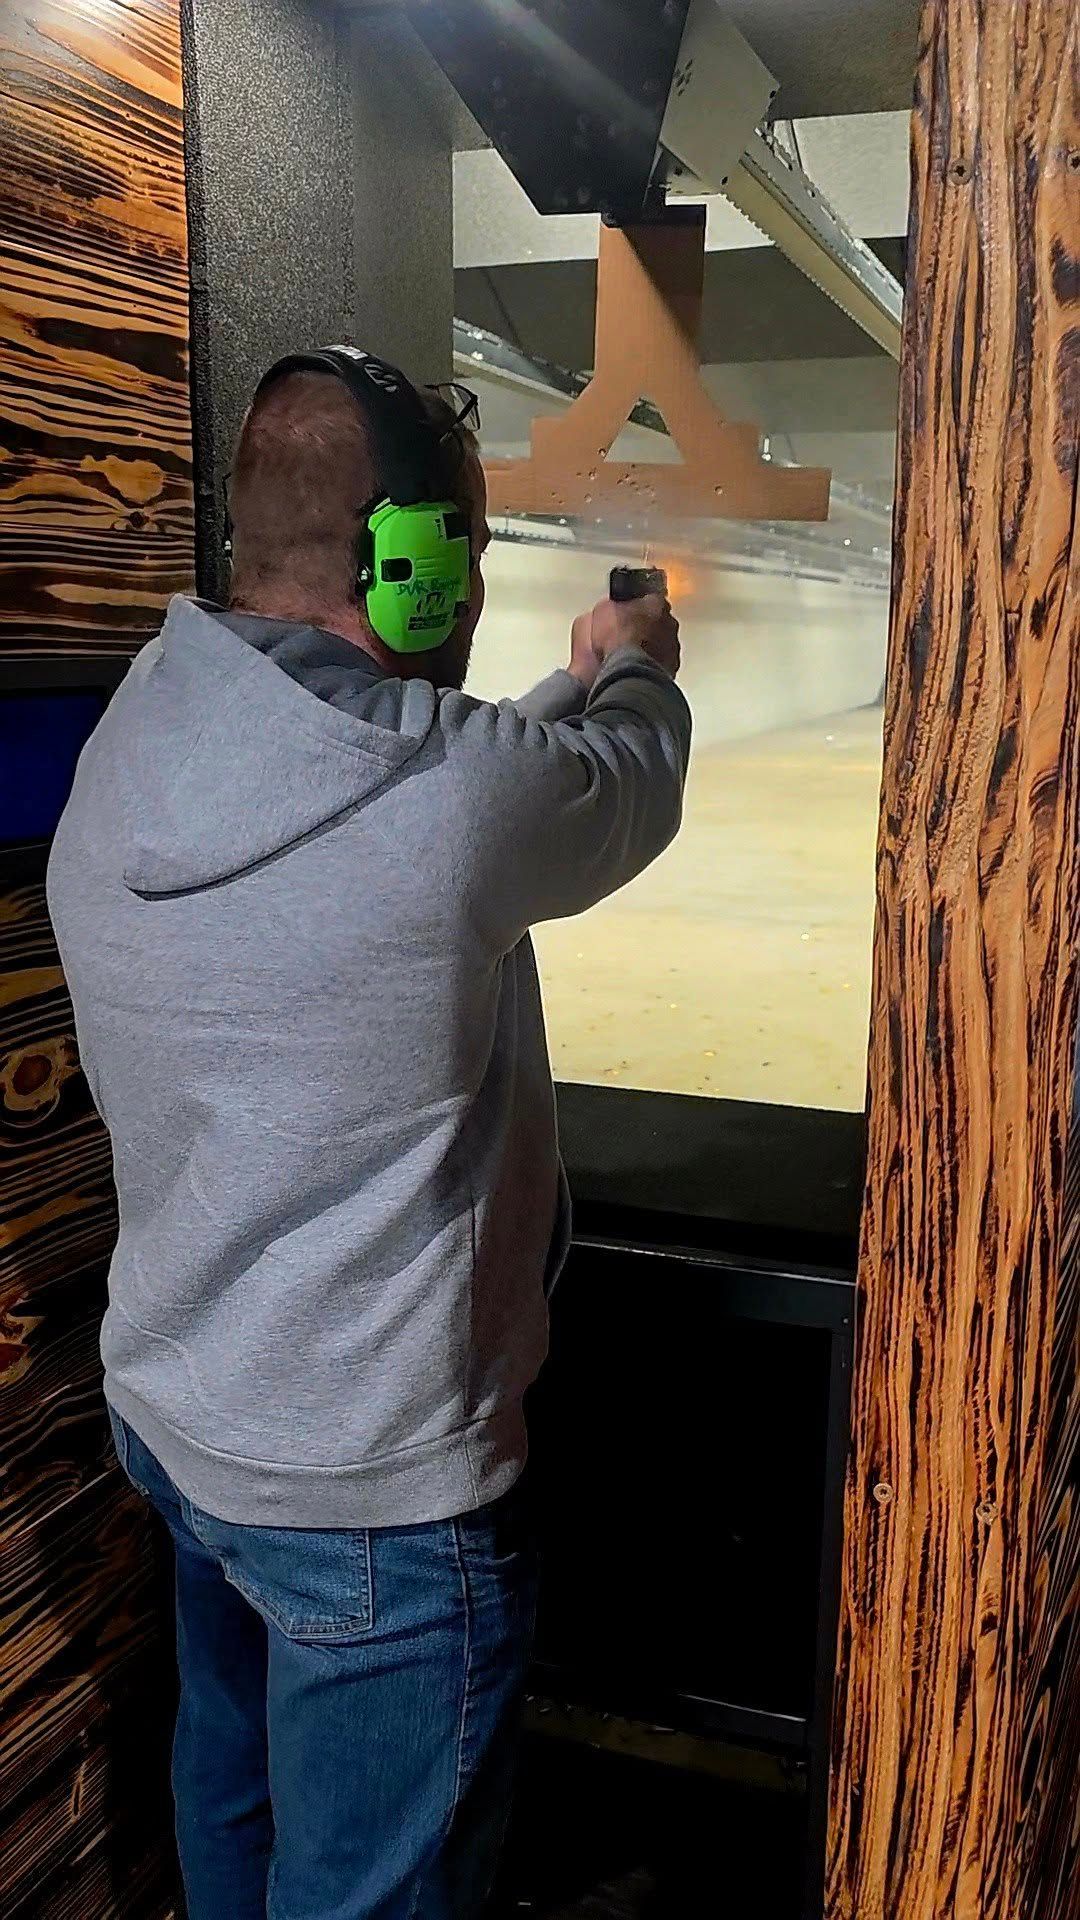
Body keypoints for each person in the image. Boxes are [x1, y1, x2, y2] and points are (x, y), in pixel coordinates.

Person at [47, 348, 690, 1920]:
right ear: (406, 562)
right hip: (376, 1503)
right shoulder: (448, 802)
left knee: (235, 1811)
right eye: (456, 554)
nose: (465, 594)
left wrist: (545, 686)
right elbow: (620, 785)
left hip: (193, 1426)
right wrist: (634, 661)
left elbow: (414, 776)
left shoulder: (141, 725)